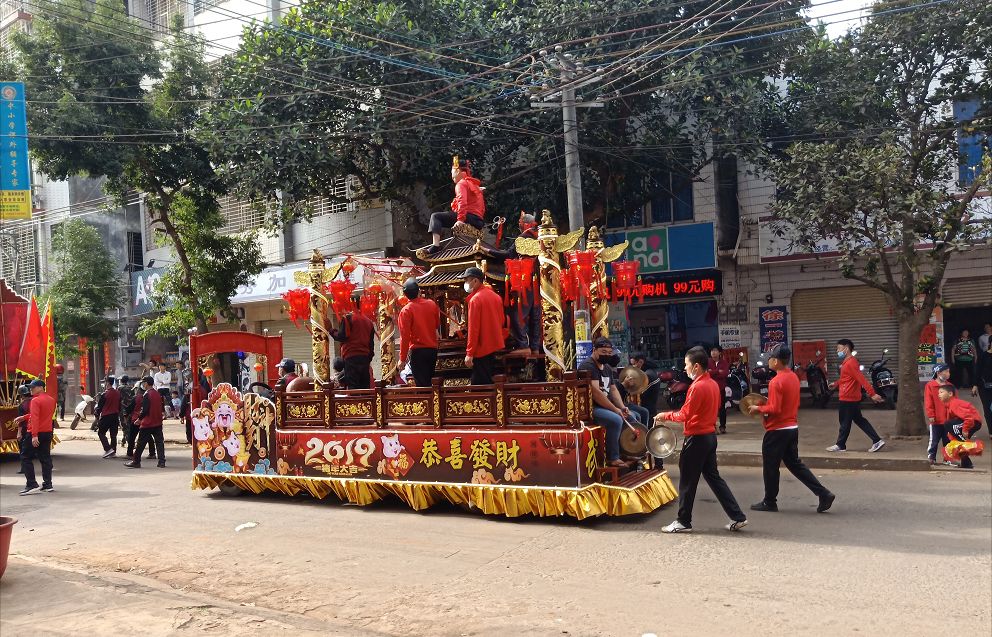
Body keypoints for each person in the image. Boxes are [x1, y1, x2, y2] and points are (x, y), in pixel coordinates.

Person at [656, 346, 748, 533]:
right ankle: (738, 516)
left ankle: (683, 521)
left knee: (688, 482)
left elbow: (684, 414)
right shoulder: (713, 384)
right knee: (714, 478)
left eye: (686, 365)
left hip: (696, 438)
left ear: (696, 366)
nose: (685, 369)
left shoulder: (697, 386)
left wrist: (664, 415)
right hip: (709, 437)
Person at [748, 345, 835, 513]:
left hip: (777, 430)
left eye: (770, 358)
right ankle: (823, 493)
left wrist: (758, 408)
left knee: (771, 467)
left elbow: (774, 408)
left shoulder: (776, 381)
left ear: (776, 361)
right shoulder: (793, 377)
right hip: (792, 427)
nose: (769, 360)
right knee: (795, 464)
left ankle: (769, 501)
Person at [579, 338, 644, 468]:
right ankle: (613, 457)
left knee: (633, 416)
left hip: (606, 406)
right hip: (592, 407)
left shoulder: (607, 368)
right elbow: (596, 394)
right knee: (616, 419)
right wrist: (615, 410)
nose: (607, 355)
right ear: (594, 350)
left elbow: (613, 389)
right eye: (603, 351)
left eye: (609, 352)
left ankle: (627, 451)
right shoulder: (588, 366)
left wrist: (622, 407)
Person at [826, 339, 886, 453]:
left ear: (846, 348)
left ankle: (840, 445)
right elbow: (846, 378)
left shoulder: (851, 363)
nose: (837, 350)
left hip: (848, 397)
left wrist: (872, 394)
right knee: (857, 420)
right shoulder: (847, 362)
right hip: (850, 396)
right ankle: (876, 440)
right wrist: (836, 384)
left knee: (844, 421)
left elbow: (862, 379)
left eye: (839, 348)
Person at [426, 157, 486, 254]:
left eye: (452, 172)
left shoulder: (461, 184)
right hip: (478, 220)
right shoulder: (473, 184)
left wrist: (460, 219)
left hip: (467, 217)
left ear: (457, 171)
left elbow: (462, 202)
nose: (451, 175)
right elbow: (482, 208)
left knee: (435, 216)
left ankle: (435, 245)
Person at [506, 212, 541, 356]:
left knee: (516, 312)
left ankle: (522, 344)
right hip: (539, 280)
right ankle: (535, 347)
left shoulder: (523, 237)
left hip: (526, 278)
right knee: (535, 314)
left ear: (523, 224)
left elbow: (508, 254)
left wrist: (487, 250)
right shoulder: (539, 237)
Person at [462, 266, 505, 385]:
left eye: (466, 280)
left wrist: (469, 353)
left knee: (480, 386)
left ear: (475, 281)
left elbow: (473, 329)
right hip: (495, 345)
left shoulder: (475, 300)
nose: (465, 283)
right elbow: (502, 321)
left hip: (481, 348)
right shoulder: (496, 297)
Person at [398, 278, 441, 387]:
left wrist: (402, 359)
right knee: (430, 382)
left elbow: (405, 337)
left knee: (422, 385)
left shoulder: (406, 310)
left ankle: (428, 404)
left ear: (405, 295)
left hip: (418, 352)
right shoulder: (432, 304)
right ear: (419, 291)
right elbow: (437, 326)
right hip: (432, 351)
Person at [18, 379, 56, 495]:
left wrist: (34, 436)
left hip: (35, 432)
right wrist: (24, 417)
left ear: (40, 387)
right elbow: (42, 414)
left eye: (33, 387)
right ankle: (48, 484)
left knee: (25, 456)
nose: (31, 389)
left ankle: (31, 484)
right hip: (47, 432)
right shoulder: (51, 400)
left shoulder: (35, 400)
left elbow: (35, 418)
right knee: (45, 457)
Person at [938, 384, 984, 469]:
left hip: (973, 421)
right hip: (971, 422)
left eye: (941, 392)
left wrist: (965, 430)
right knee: (955, 440)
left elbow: (968, 418)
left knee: (949, 426)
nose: (939, 395)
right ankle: (966, 463)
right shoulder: (949, 405)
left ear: (950, 394)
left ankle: (967, 445)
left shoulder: (954, 403)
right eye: (938, 393)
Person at [125, 376, 166, 468]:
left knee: (140, 443)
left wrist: (139, 419)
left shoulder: (147, 394)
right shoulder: (157, 394)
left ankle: (136, 461)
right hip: (158, 422)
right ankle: (161, 461)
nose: (143, 384)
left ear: (146, 384)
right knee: (159, 443)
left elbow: (145, 409)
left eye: (144, 383)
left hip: (148, 422)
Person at [330, 309, 376, 390]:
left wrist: (331, 331)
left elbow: (342, 336)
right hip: (365, 359)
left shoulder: (348, 318)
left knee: (353, 389)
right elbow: (371, 345)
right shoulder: (369, 321)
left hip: (351, 358)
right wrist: (367, 359)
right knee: (365, 389)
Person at [924, 364, 953, 465]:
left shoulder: (950, 386)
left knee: (948, 440)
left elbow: (955, 401)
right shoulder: (930, 386)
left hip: (948, 419)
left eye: (948, 371)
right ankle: (931, 457)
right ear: (938, 373)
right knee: (934, 440)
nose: (948, 374)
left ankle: (948, 458)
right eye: (946, 371)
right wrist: (931, 415)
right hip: (936, 419)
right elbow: (928, 402)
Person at [95, 376, 121, 459]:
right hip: (115, 415)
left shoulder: (105, 394)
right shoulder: (117, 393)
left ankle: (108, 449)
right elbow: (119, 406)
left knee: (101, 433)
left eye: (105, 382)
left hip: (106, 416)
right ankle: (113, 451)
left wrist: (97, 415)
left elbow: (100, 407)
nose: (104, 384)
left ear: (108, 383)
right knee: (113, 435)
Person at [710, 345, 730, 434]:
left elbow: (725, 374)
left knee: (722, 408)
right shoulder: (707, 362)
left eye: (715, 351)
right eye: (712, 351)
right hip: (710, 389)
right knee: (711, 408)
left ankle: (722, 426)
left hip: (721, 388)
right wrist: (718, 371)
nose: (713, 353)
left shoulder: (724, 363)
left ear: (719, 353)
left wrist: (713, 372)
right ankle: (712, 427)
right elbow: (707, 373)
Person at [973, 338, 992, 425]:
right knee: (987, 408)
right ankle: (991, 431)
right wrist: (975, 385)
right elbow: (978, 371)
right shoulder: (983, 356)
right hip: (985, 386)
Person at [118, 376, 136, 452]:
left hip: (122, 409)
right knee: (128, 425)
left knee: (125, 426)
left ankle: (130, 444)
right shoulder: (131, 388)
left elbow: (118, 398)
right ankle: (123, 440)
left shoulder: (119, 388)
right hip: (130, 409)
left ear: (121, 381)